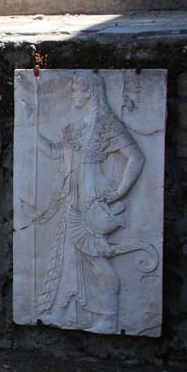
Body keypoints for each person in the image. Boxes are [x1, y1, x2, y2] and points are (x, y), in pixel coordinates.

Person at [33, 71, 154, 333]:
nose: (73, 94)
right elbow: (56, 153)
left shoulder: (106, 123)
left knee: (95, 257)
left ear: (89, 91)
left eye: (76, 89)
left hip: (91, 196)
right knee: (71, 257)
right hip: (71, 197)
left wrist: (120, 192)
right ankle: (68, 312)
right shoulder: (77, 125)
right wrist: (31, 128)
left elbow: (136, 157)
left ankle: (109, 317)